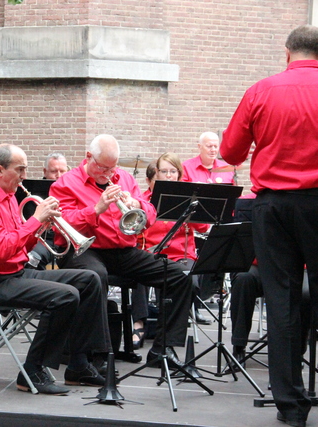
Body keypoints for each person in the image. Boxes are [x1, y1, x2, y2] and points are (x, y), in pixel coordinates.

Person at [220, 25, 318, 427]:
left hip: (274, 206)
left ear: (286, 53)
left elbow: (230, 152)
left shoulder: (261, 91)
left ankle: (291, 407)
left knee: (282, 302)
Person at [0, 144, 109, 395]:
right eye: (20, 170)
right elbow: (1, 252)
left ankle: (79, 364)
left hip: (13, 272)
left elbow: (19, 245)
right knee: (65, 296)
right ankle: (32, 371)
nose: (24, 176)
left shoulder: (7, 195)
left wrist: (41, 227)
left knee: (90, 279)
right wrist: (35, 220)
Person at [50, 134, 198, 376]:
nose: (109, 173)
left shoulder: (126, 178)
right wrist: (97, 208)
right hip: (83, 251)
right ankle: (98, 356)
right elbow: (60, 224)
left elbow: (150, 212)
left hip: (122, 250)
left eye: (113, 167)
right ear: (89, 157)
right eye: (103, 167)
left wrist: (136, 204)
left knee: (179, 277)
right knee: (95, 276)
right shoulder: (66, 183)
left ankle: (162, 348)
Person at [142, 153, 212, 326]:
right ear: (157, 173)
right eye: (164, 171)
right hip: (154, 254)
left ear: (179, 174)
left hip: (182, 255)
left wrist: (195, 212)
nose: (168, 176)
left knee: (191, 281)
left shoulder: (189, 198)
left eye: (173, 171)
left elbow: (203, 228)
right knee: (138, 276)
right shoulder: (145, 200)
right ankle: (140, 324)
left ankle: (171, 326)